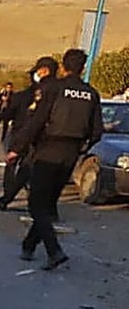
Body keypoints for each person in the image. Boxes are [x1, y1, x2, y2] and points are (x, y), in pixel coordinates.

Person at [7, 48, 102, 270]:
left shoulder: (54, 88)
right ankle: (29, 245)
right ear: (83, 68)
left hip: (48, 150)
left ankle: (54, 250)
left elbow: (37, 121)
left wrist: (17, 148)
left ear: (63, 66)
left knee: (36, 204)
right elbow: (97, 132)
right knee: (47, 203)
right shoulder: (92, 94)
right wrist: (81, 148)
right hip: (71, 154)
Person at [0, 56, 59, 211]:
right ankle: (25, 199)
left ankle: (8, 195)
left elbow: (9, 115)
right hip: (43, 138)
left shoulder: (25, 95)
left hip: (21, 135)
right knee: (29, 169)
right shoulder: (58, 91)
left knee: (13, 165)